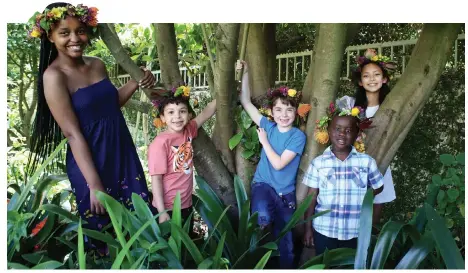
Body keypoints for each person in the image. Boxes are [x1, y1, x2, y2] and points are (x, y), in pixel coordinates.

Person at [27, 2, 156, 251]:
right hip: (91, 164)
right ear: (50, 36)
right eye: (65, 33)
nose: (75, 38)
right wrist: (94, 184)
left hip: (122, 153)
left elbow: (109, 104)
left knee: (140, 224)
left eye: (81, 30)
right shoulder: (54, 77)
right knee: (104, 236)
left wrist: (136, 81)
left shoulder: (97, 64)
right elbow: (72, 133)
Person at [236, 60, 306, 269]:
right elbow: (246, 103)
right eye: (278, 110)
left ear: (296, 112)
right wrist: (246, 72)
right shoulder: (268, 125)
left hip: (286, 194)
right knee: (262, 219)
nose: (283, 115)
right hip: (263, 185)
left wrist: (264, 141)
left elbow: (278, 164)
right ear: (272, 112)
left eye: (289, 110)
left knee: (286, 244)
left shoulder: (297, 137)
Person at [302, 96, 384, 255]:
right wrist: (307, 229)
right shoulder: (318, 163)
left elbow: (379, 186)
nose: (342, 134)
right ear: (328, 130)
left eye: (348, 130)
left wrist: (363, 197)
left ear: (357, 134)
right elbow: (311, 197)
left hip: (356, 231)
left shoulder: (366, 162)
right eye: (337, 128)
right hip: (324, 230)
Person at [147, 85, 216, 232]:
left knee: (185, 247)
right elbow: (156, 179)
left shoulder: (188, 130)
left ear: (189, 115)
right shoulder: (160, 144)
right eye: (170, 112)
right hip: (167, 208)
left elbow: (207, 112)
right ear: (163, 118)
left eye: (182, 111)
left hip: (185, 204)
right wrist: (161, 212)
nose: (177, 117)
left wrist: (229, 88)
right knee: (171, 250)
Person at [353, 48, 397, 225]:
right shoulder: (350, 105)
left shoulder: (390, 107)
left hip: (380, 165)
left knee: (372, 222)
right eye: (366, 75)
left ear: (384, 79)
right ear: (360, 82)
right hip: (353, 168)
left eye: (376, 74)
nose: (372, 79)